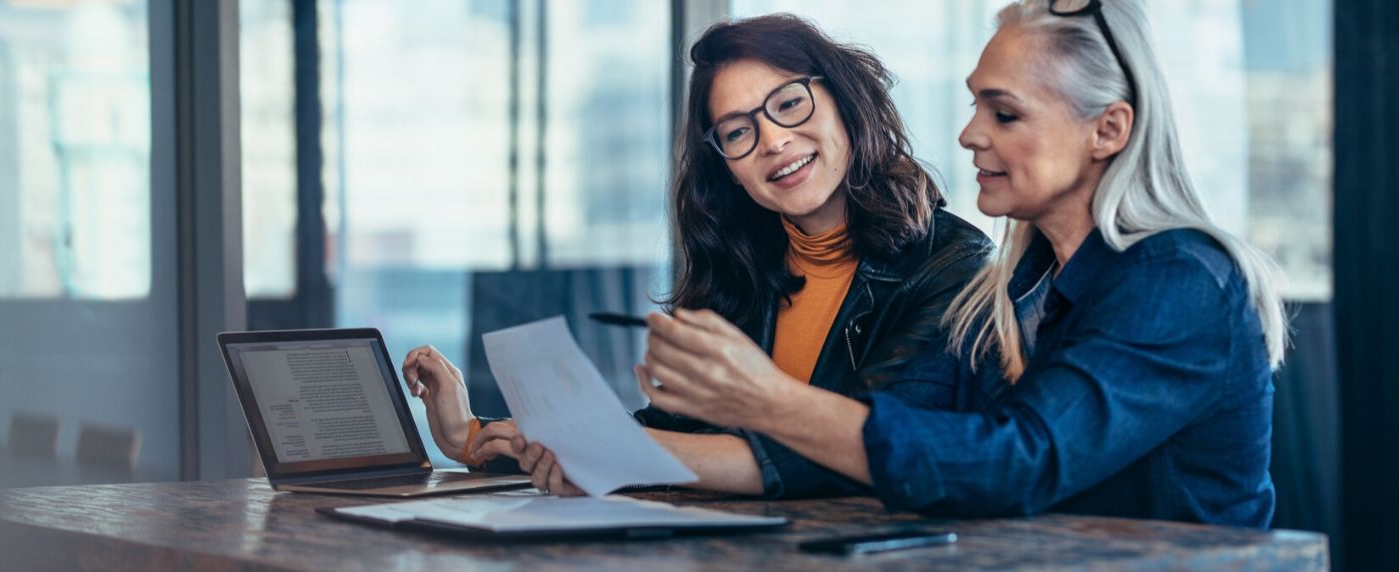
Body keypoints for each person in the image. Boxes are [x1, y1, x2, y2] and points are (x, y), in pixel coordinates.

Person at [526, 0, 1289, 532]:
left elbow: (1013, 464)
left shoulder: (1179, 279)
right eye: (975, 106)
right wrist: (582, 445)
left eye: (1004, 113)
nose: (969, 135)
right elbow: (908, 442)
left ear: (1109, 130)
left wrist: (765, 399)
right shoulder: (1016, 287)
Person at [403, 14, 991, 497]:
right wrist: (472, 437)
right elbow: (674, 433)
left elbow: (864, 451)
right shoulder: (742, 269)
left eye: (790, 104)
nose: (773, 141)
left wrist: (610, 453)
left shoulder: (955, 266)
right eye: (737, 132)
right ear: (727, 168)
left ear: (845, 102)